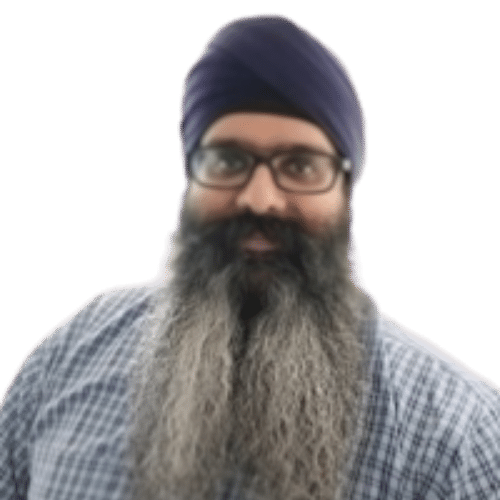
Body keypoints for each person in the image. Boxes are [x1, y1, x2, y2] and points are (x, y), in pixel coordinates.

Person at [1, 13, 499, 500]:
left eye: (300, 165)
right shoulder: (71, 356)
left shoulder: (458, 435)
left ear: (346, 190)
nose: (260, 199)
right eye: (228, 161)